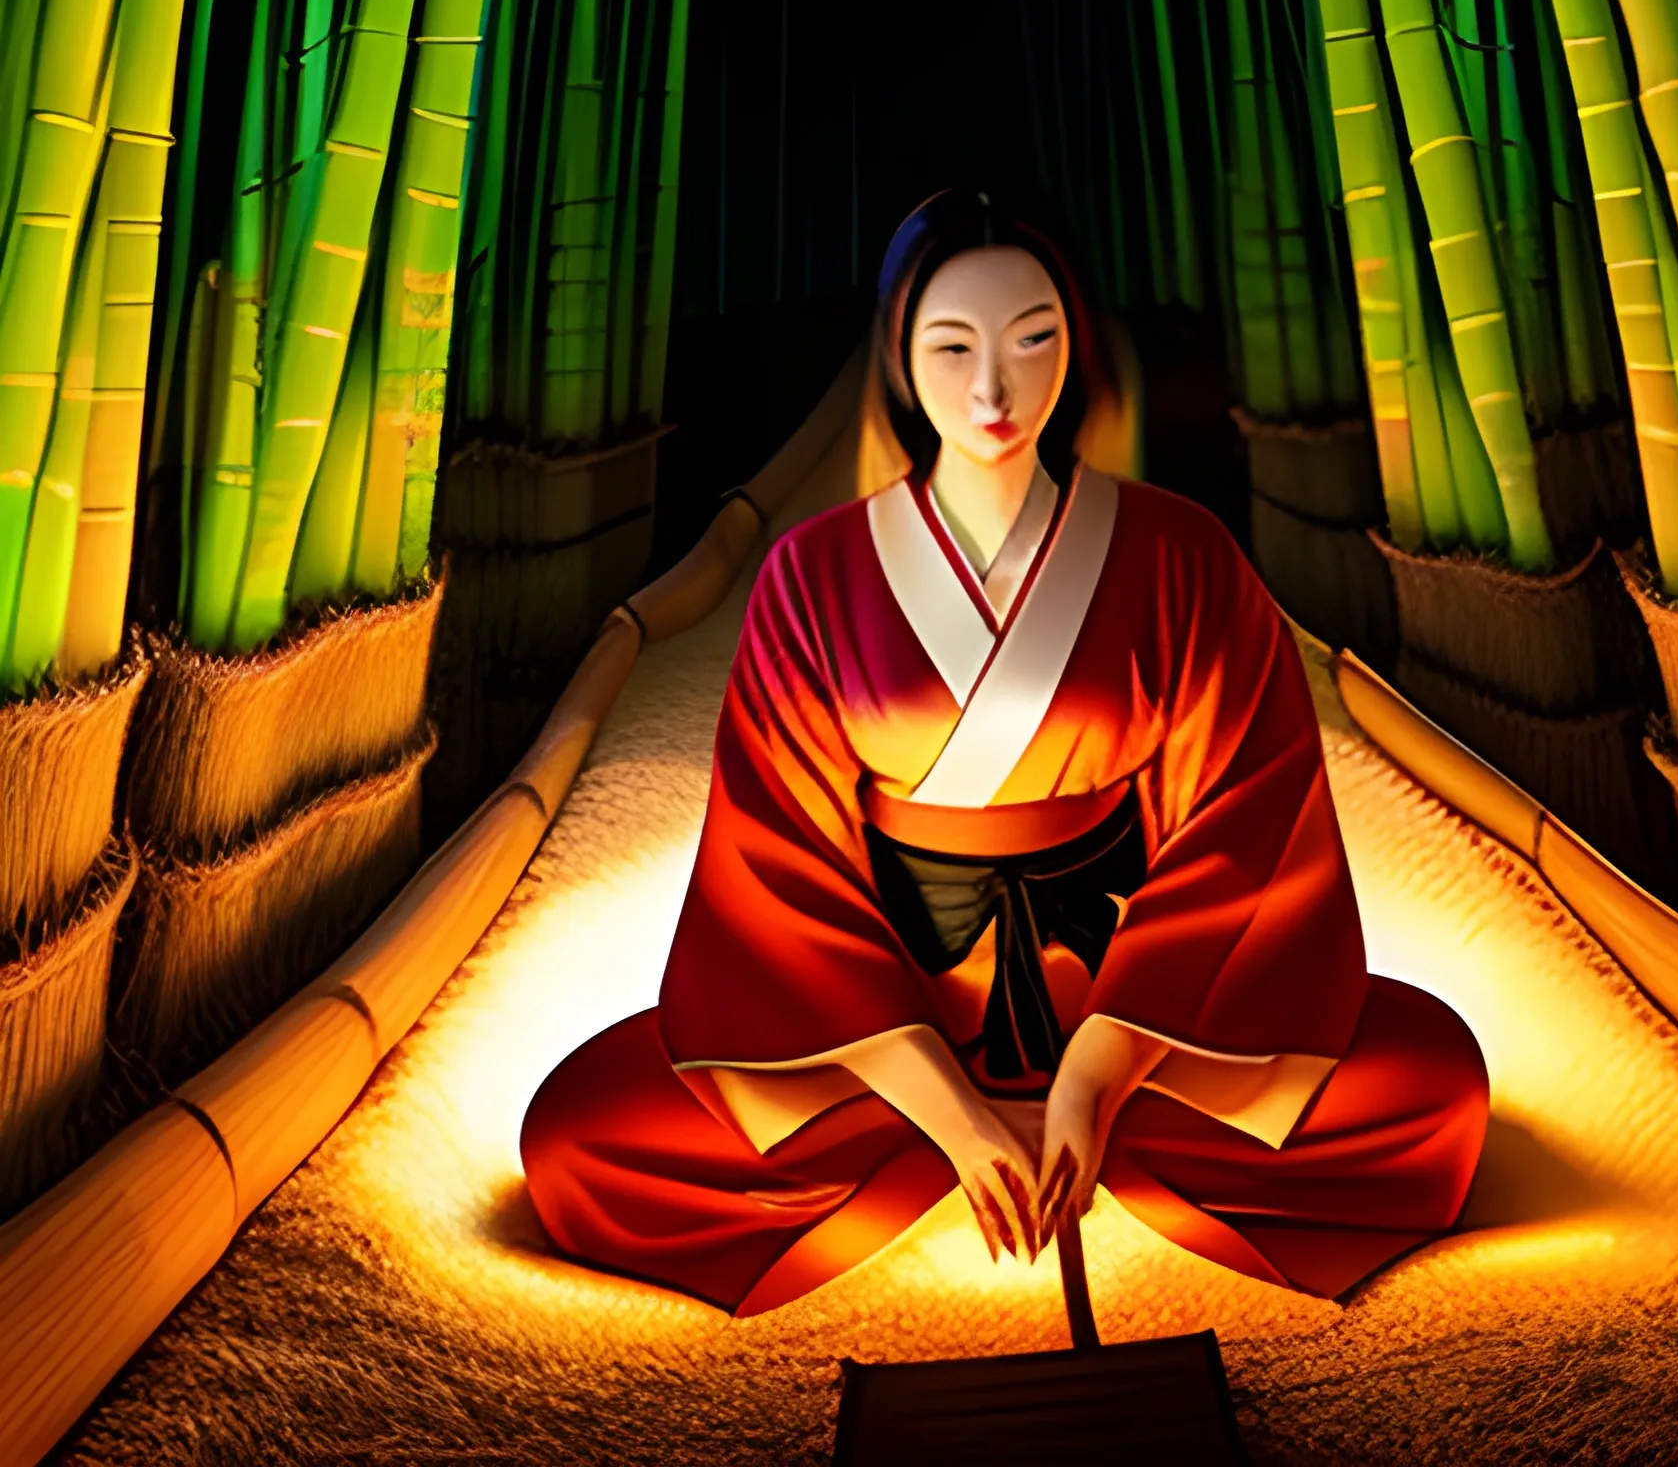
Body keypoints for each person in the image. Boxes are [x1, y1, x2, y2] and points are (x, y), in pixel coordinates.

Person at [520, 188, 1488, 1316]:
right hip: (888, 1020)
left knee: (1433, 1085)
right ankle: (977, 1141)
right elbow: (777, 867)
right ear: (897, 354)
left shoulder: (1181, 553)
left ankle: (1072, 1127)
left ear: (1075, 345)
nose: (992, 388)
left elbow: (1245, 819)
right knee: (581, 1134)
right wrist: (955, 1110)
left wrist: (1092, 1073)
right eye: (952, 345)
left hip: (1139, 1005)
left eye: (1032, 338)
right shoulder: (810, 573)